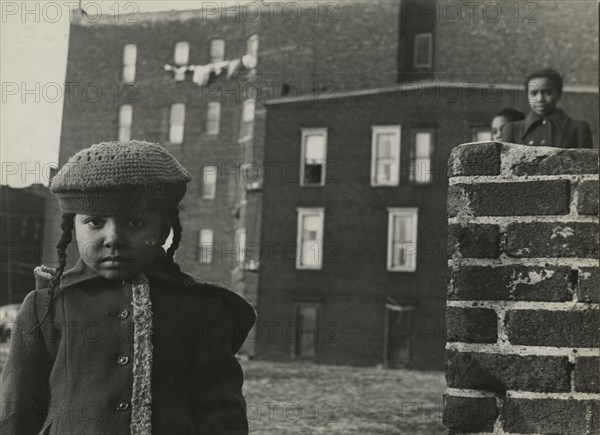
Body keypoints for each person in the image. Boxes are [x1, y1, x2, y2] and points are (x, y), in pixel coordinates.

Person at [0, 140, 256, 435]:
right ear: (73, 227)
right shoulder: (45, 307)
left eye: (135, 222)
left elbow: (222, 413)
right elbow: (17, 411)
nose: (114, 238)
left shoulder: (202, 308)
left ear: (163, 229)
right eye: (95, 222)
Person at [503, 69, 593, 148]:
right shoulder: (513, 129)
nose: (540, 99)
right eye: (534, 93)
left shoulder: (577, 128)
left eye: (547, 93)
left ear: (559, 94)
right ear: (527, 96)